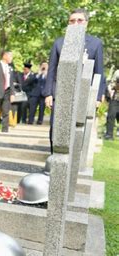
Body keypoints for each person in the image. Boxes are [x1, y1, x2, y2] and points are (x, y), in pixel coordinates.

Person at [44, 8, 104, 152]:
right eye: (72, 21)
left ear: (86, 23)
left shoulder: (95, 43)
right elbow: (51, 70)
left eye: (79, 20)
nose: (75, 23)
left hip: (83, 94)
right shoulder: (59, 43)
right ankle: (55, 158)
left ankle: (74, 161)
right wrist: (48, 94)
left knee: (78, 130)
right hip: (61, 94)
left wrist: (97, 97)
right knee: (56, 129)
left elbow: (99, 72)